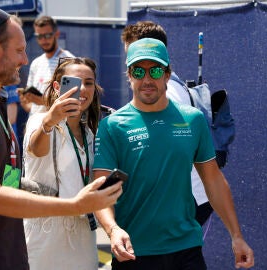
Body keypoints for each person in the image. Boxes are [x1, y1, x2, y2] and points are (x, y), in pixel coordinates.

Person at [0, 8, 122, 269]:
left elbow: (7, 181)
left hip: (11, 253)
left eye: (90, 83)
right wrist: (74, 205)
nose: (26, 60)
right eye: (19, 50)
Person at [93, 38, 254, 270]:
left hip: (186, 250)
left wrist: (236, 236)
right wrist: (112, 230)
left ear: (167, 74)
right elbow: (101, 190)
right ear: (129, 75)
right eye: (139, 71)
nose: (147, 79)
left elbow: (213, 180)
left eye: (155, 70)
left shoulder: (192, 119)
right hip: (133, 252)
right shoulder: (112, 126)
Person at [121, 21, 216, 231]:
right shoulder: (171, 85)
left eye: (133, 53)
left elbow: (161, 151)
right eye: (129, 56)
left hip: (186, 198)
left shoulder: (169, 92)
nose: (129, 62)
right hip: (192, 196)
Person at [23, 57, 103, 269]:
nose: (83, 89)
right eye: (75, 83)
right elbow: (36, 149)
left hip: (84, 234)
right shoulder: (40, 121)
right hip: (46, 236)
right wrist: (50, 121)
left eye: (89, 82)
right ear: (58, 87)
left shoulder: (90, 132)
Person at [21, 15, 74, 115]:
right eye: (39, 36)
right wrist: (25, 100)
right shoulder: (36, 63)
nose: (44, 40)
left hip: (57, 127)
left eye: (48, 35)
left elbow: (71, 100)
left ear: (57, 34)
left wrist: (42, 101)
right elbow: (30, 106)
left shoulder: (69, 61)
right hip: (34, 125)